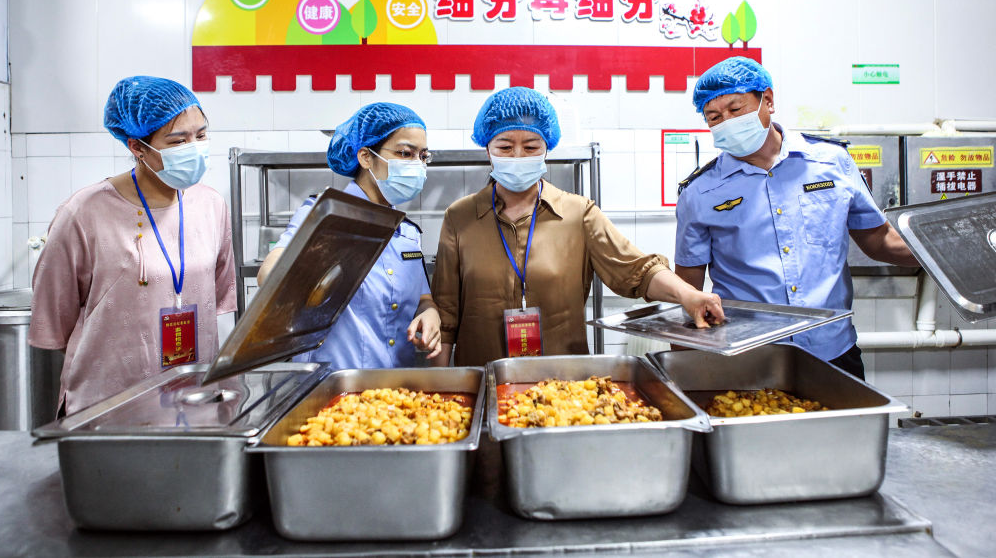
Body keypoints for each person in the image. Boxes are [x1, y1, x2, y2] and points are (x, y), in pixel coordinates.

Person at [431, 87, 725, 367]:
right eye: (505, 147)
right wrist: (440, 387)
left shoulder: (578, 214)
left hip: (562, 385)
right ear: (488, 150)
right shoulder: (460, 217)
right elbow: (445, 315)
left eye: (531, 147)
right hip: (483, 380)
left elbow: (638, 271)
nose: (518, 156)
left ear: (546, 149)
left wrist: (687, 295)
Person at [674, 57, 918, 378]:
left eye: (735, 109)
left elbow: (880, 240)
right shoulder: (700, 192)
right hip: (748, 358)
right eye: (714, 117)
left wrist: (948, 256)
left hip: (833, 351)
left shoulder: (831, 162)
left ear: (768, 100)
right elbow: (687, 290)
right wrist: (681, 370)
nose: (727, 122)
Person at [28, 76, 236, 415]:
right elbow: (54, 317)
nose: (194, 148)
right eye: (178, 140)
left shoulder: (211, 205)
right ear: (137, 147)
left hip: (191, 400)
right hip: (108, 405)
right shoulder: (84, 213)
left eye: (200, 135)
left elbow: (218, 294)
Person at [257, 102, 441, 368]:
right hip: (335, 383)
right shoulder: (326, 213)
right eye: (405, 153)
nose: (417, 165)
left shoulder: (407, 233)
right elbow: (269, 274)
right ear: (365, 157)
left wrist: (430, 313)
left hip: (396, 384)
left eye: (423, 156)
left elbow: (423, 298)